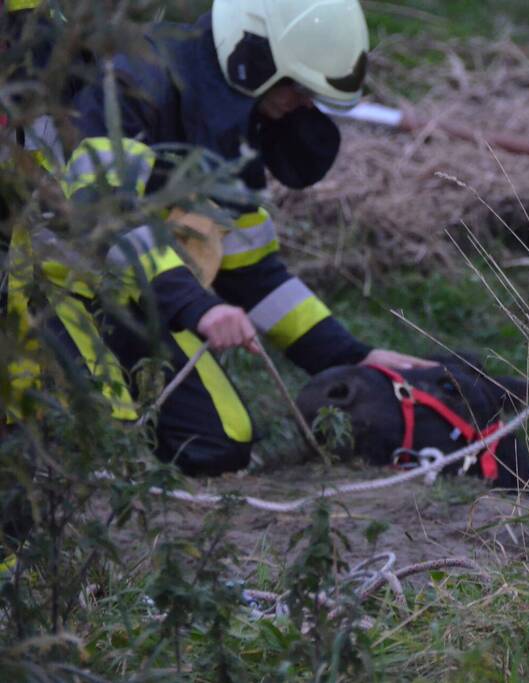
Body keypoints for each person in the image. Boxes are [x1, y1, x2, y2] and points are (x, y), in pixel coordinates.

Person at [9, 0, 433, 476]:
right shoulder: (133, 85)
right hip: (44, 288)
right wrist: (200, 307)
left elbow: (252, 272)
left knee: (221, 443)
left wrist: (352, 355)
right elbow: (107, 214)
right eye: (299, 86)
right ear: (253, 57)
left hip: (139, 303)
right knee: (96, 440)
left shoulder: (230, 124)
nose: (306, 104)